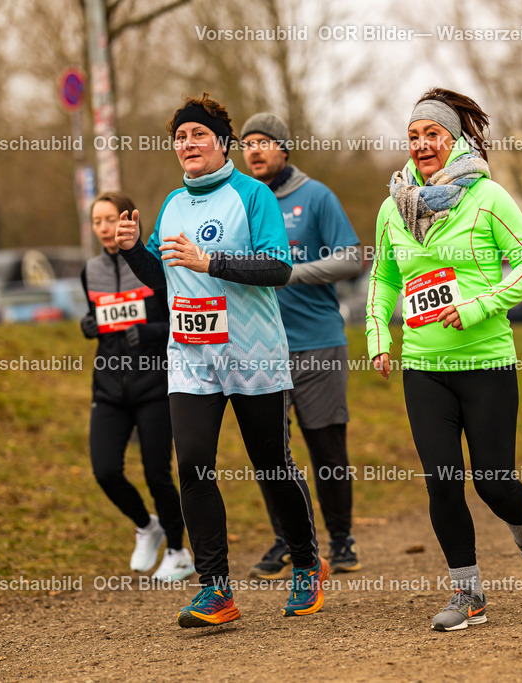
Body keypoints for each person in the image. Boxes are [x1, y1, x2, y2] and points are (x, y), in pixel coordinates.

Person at [115, 92, 327, 628]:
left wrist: (213, 261)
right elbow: (167, 283)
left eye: (198, 135)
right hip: (191, 357)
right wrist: (136, 250)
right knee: (192, 463)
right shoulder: (171, 205)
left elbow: (278, 268)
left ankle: (305, 564)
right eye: (180, 137)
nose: (187, 144)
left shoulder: (253, 196)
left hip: (253, 352)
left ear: (222, 144)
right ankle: (215, 590)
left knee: (270, 463)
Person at [366, 87, 522, 632]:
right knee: (442, 481)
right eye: (413, 136)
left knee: (494, 482)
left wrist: (476, 306)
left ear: (454, 141)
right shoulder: (393, 208)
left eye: (432, 134)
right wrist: (379, 337)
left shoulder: (488, 197)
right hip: (425, 369)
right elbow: (383, 280)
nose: (422, 144)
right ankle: (467, 592)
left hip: (486, 362)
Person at [239, 113, 364, 577]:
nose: (253, 151)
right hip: (261, 349)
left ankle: (342, 539)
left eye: (263, 142)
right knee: (272, 452)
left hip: (318, 345)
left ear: (283, 149)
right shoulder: (242, 201)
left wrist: (292, 272)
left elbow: (352, 257)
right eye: (246, 143)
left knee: (326, 447)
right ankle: (287, 541)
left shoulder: (316, 197)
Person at [80, 191, 194, 583]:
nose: (104, 228)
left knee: (157, 473)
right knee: (105, 470)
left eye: (110, 219)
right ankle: (147, 525)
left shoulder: (152, 266)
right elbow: (96, 318)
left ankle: (179, 552)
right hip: (109, 387)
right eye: (97, 221)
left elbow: (179, 320)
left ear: (128, 219)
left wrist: (147, 332)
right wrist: (88, 325)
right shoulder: (89, 271)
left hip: (154, 383)